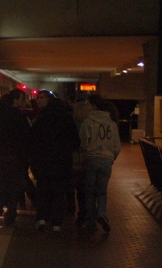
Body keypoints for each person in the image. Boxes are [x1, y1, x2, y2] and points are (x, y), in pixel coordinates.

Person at [30, 91, 80, 232]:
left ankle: (41, 219)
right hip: (62, 163)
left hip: (43, 162)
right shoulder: (67, 121)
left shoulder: (41, 119)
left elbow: (33, 141)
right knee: (59, 194)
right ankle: (56, 223)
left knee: (43, 192)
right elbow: (76, 142)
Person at [0, 92, 30, 226]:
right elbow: (27, 138)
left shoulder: (0, 116)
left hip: (1, 157)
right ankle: (10, 214)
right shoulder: (20, 117)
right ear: (15, 101)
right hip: (16, 158)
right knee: (13, 187)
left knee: (1, 185)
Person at [79, 94, 121, 232]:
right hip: (107, 160)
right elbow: (117, 146)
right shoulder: (112, 123)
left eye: (87, 104)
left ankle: (90, 221)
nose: (86, 107)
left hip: (91, 158)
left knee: (89, 191)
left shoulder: (88, 122)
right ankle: (101, 213)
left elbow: (84, 142)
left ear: (94, 106)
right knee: (102, 191)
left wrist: (84, 155)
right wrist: (111, 158)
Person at [70, 100, 93, 226]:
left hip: (75, 161)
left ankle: (77, 212)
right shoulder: (90, 124)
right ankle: (89, 215)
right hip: (88, 160)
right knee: (88, 190)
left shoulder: (72, 124)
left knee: (77, 189)